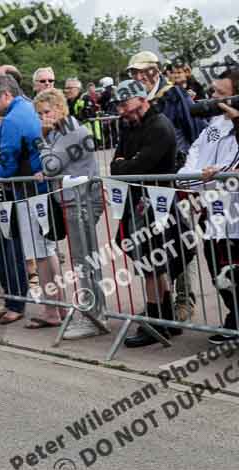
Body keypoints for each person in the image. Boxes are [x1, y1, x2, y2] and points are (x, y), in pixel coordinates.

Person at [110, 80, 195, 348]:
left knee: (151, 265)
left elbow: (137, 167)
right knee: (149, 263)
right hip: (137, 203)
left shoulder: (159, 126)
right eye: (119, 106)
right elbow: (116, 164)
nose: (122, 110)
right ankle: (164, 317)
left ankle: (157, 322)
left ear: (140, 99)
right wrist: (124, 165)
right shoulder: (129, 126)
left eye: (124, 104)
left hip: (158, 206)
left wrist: (125, 165)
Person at [127, 51, 206, 320]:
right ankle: (162, 301)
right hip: (148, 184)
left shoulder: (174, 95)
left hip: (176, 179)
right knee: (154, 243)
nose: (138, 77)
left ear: (155, 70)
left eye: (143, 71)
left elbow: (197, 133)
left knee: (180, 238)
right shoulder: (135, 101)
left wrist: (189, 173)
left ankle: (185, 299)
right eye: (134, 73)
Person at [33, 88, 108, 338]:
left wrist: (41, 141)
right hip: (76, 200)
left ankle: (92, 315)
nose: (43, 118)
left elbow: (51, 165)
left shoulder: (70, 131)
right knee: (83, 259)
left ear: (59, 108)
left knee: (83, 260)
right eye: (39, 114)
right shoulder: (62, 130)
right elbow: (54, 165)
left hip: (81, 200)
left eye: (46, 112)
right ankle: (94, 312)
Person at [177, 70, 239, 344]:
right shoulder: (213, 126)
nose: (213, 99)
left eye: (221, 94)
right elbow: (191, 160)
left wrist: (219, 173)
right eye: (213, 92)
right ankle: (234, 318)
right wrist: (196, 175)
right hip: (212, 213)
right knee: (218, 274)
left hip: (235, 214)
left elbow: (232, 170)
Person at [0, 74, 48, 325]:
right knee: (29, 250)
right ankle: (15, 300)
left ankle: (19, 303)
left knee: (19, 249)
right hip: (30, 189)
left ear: (6, 95)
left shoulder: (11, 119)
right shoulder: (27, 108)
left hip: (22, 191)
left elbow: (7, 158)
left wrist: (1, 178)